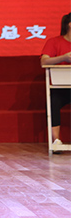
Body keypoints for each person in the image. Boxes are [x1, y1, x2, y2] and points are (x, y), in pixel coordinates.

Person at [40, 12, 71, 152]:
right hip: (60, 87)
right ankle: (56, 141)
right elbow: (44, 61)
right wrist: (63, 58)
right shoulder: (54, 42)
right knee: (52, 102)